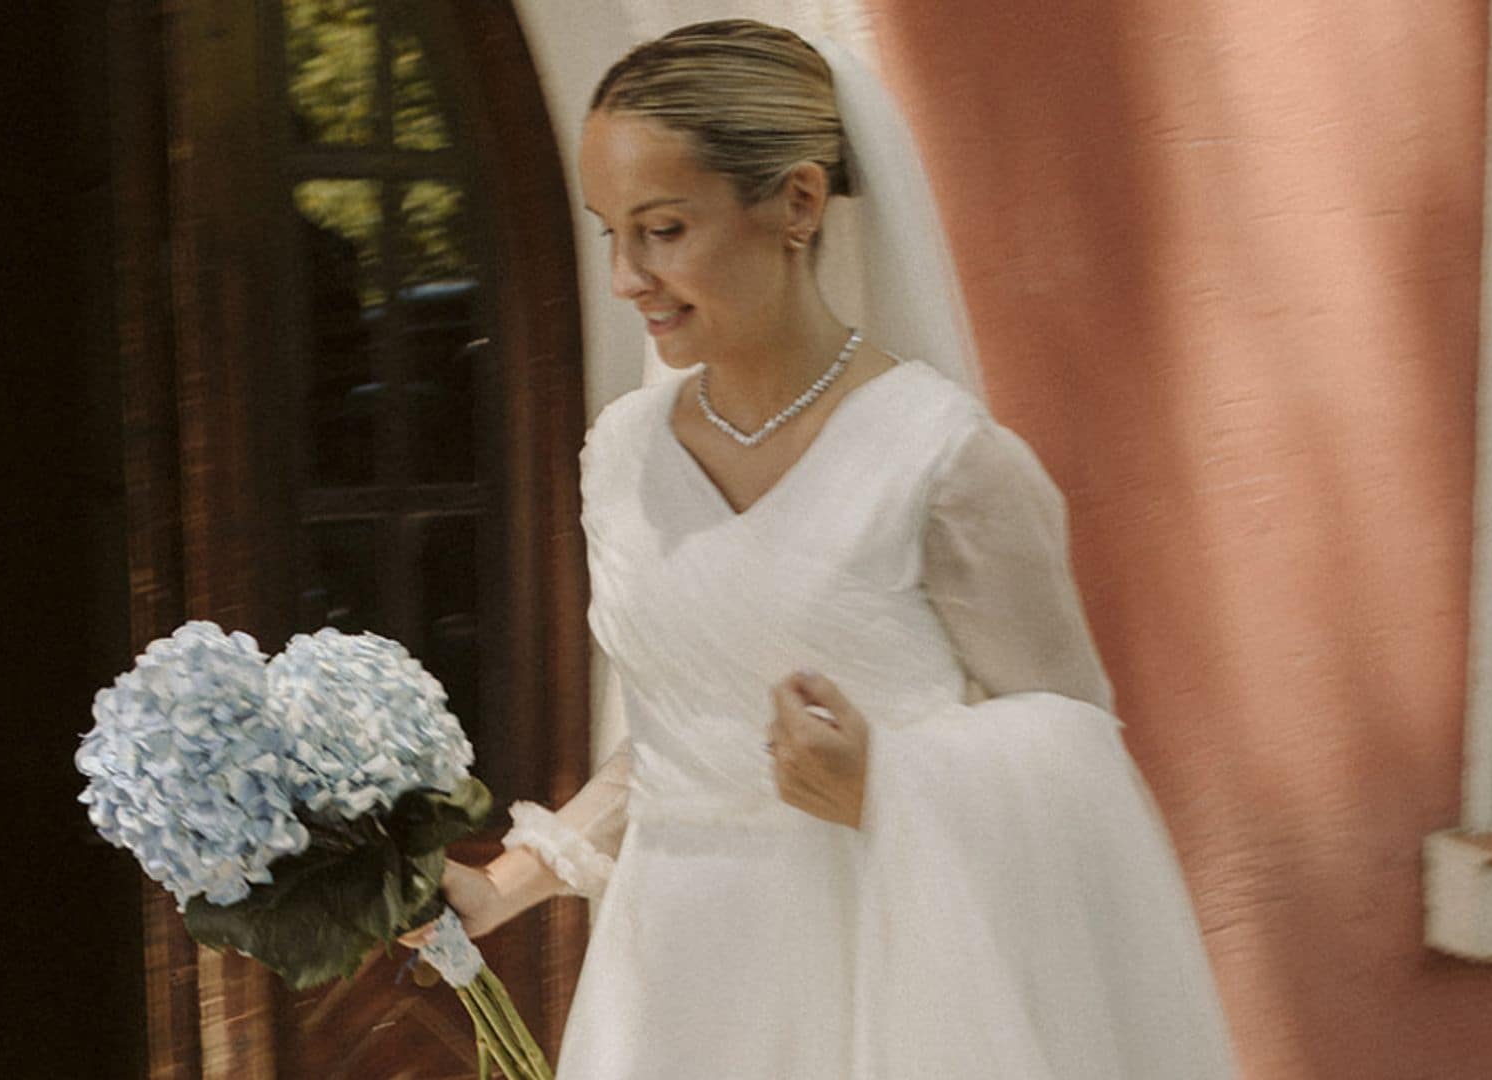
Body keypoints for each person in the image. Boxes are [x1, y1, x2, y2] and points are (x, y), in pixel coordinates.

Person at [403, 19, 1239, 1078]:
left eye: (662, 229)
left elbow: (1076, 757)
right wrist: (503, 886)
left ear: (798, 203)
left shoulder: (943, 460)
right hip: (673, 988)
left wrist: (889, 779)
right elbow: (678, 739)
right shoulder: (621, 455)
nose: (625, 276)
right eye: (611, 232)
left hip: (885, 981)